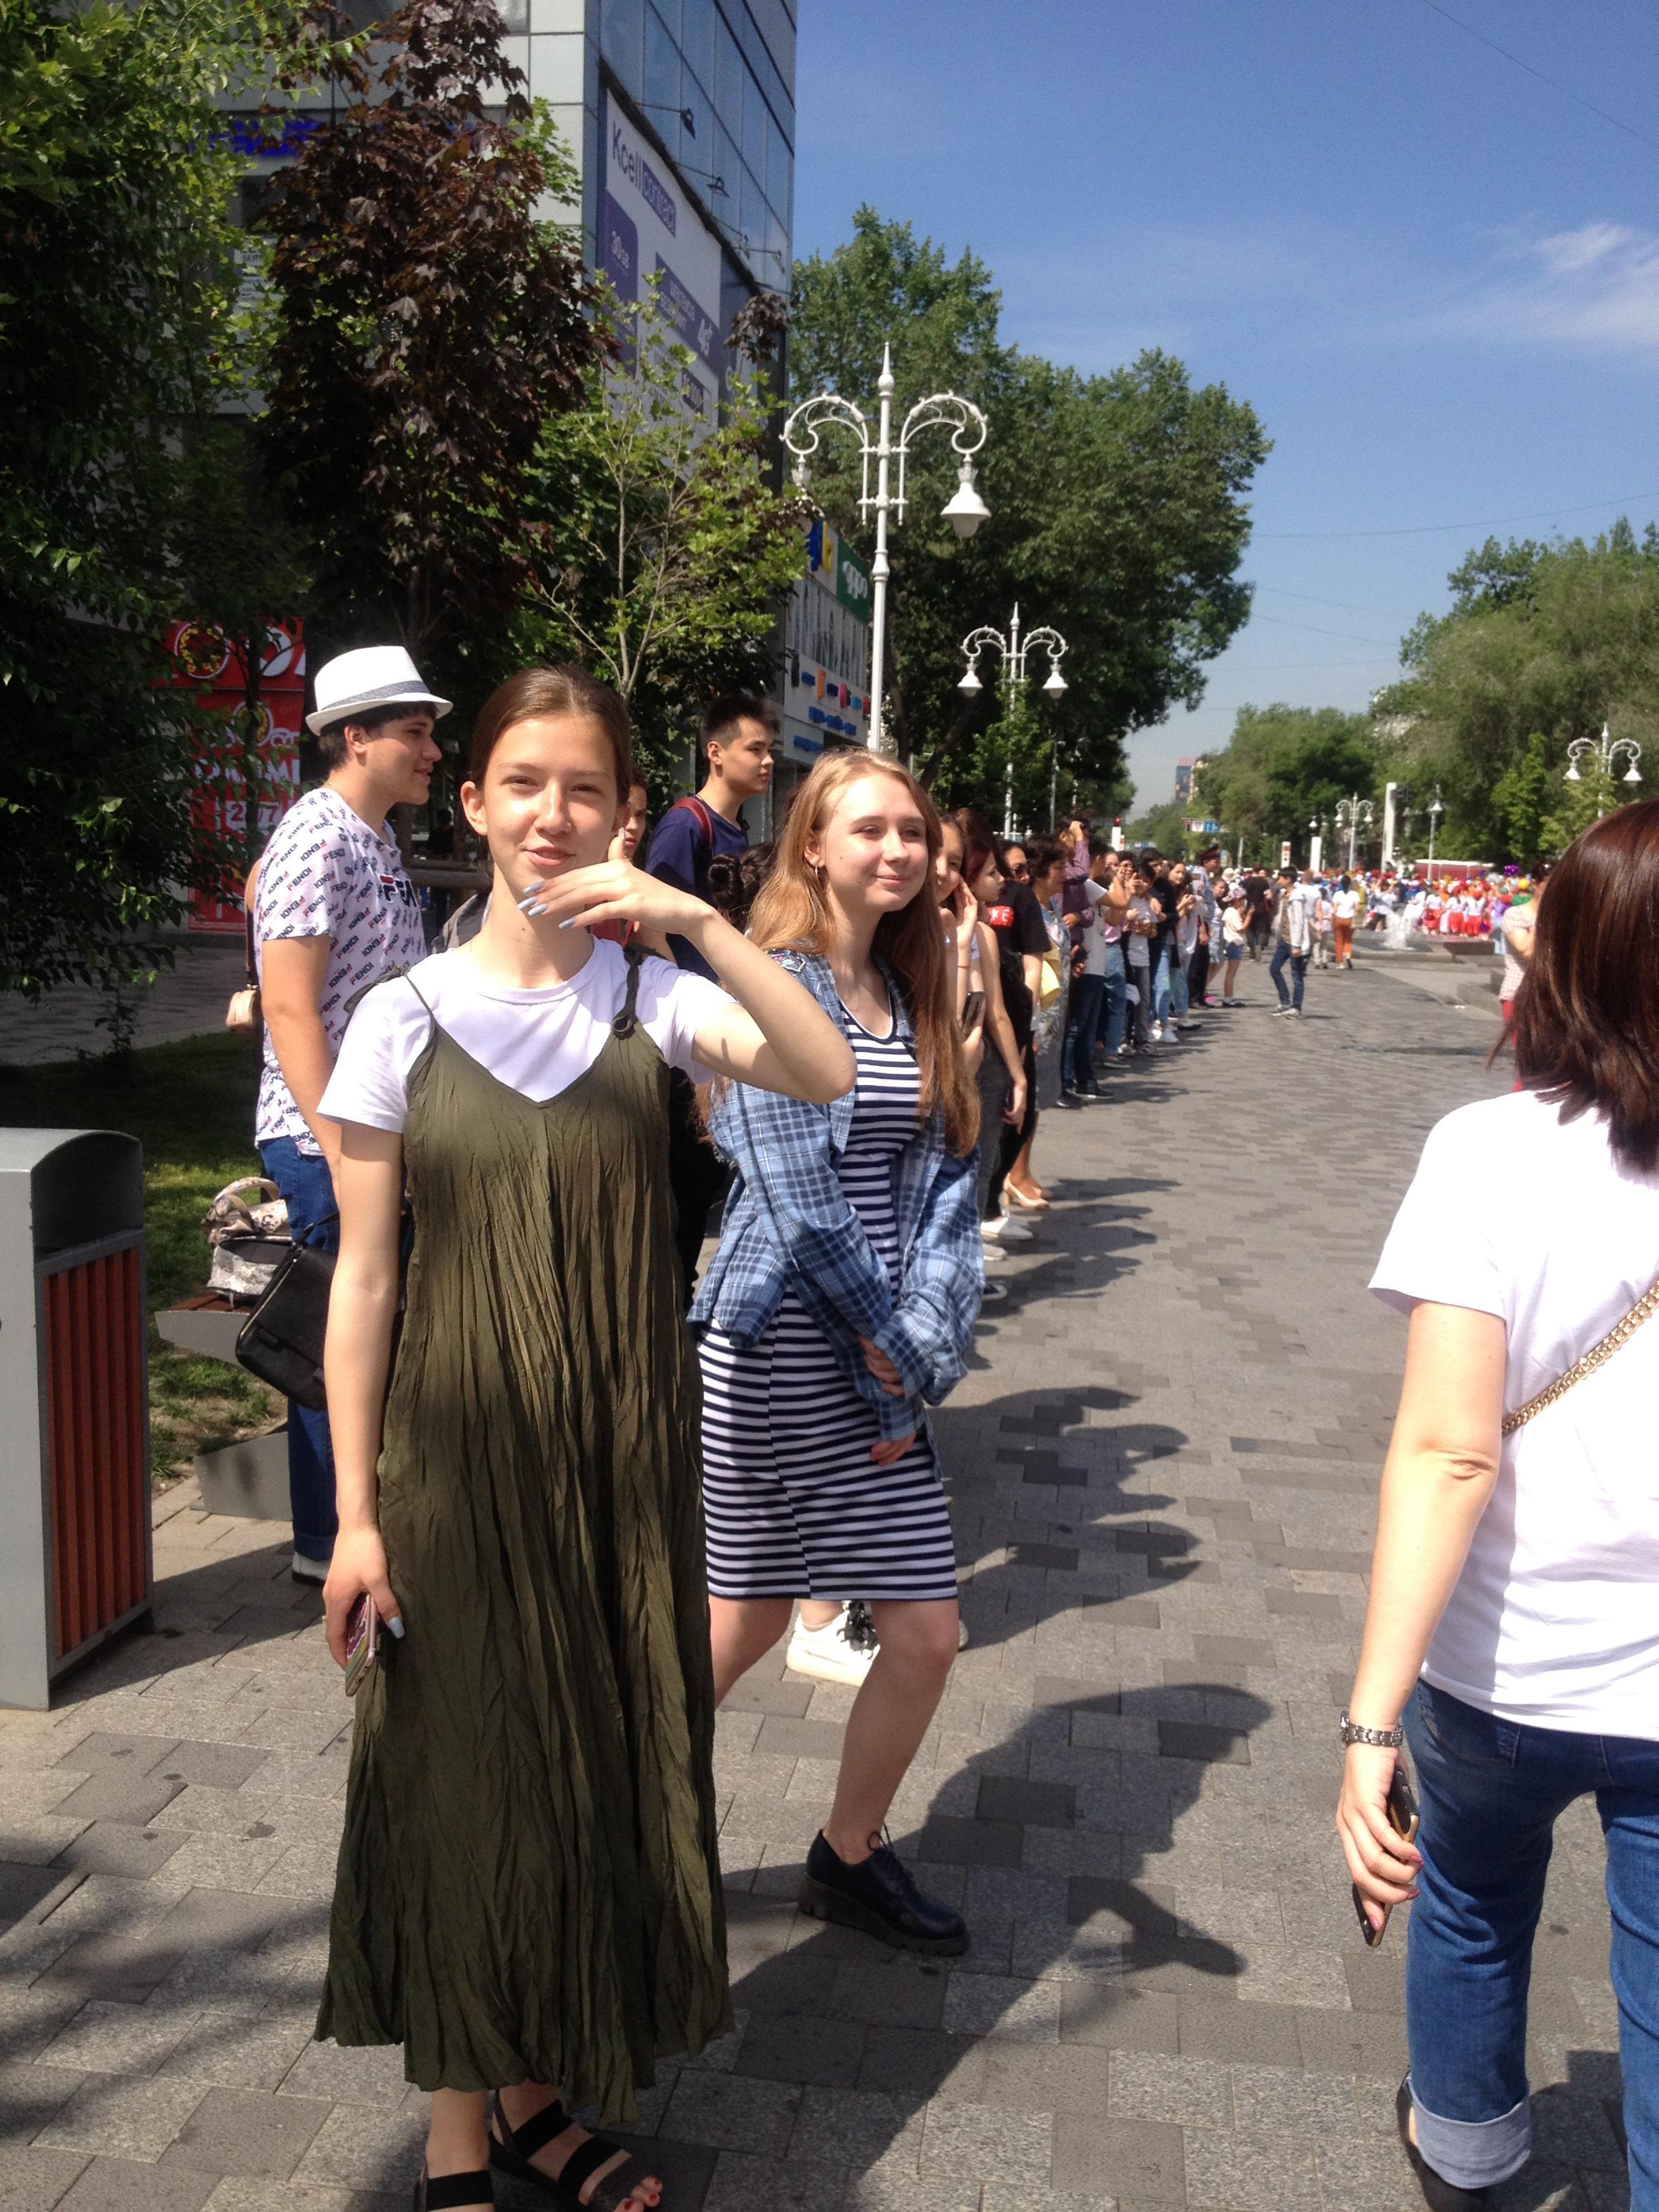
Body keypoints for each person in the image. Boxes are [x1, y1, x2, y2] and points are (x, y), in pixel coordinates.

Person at [314, 665, 853, 2212]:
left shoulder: (653, 998)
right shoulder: (399, 1017)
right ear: (474, 798)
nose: (552, 814)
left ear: (624, 810)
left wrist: (693, 921)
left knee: (594, 1774)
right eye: (523, 782)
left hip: (622, 1463)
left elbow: (821, 1071)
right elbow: (365, 1279)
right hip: (452, 1464)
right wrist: (353, 1516)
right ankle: (457, 2139)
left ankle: (539, 2101)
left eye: (586, 788)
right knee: (468, 1780)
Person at [1338, 802, 1659, 2212]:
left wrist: (1368, 1720)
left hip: (1501, 1659)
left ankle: (1467, 2147)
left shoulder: (1488, 1149)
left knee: (1467, 1903)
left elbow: (1446, 1453)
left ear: (1563, 957)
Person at [692, 750, 984, 1956]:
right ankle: (614, 1817)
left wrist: (925, 1340)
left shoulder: (917, 989)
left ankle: (846, 1852)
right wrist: (889, 1344)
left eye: (911, 829)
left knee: (922, 1630)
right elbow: (794, 1191)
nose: (897, 848)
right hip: (779, 1345)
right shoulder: (781, 983)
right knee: (748, 1615)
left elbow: (954, 1173)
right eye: (868, 828)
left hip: (882, 1350)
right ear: (811, 844)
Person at [253, 644, 445, 1583]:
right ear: (354, 738)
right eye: (415, 732)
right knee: (338, 1338)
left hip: (367, 1131)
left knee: (366, 1332)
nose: (433, 750)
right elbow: (290, 1007)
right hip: (322, 1135)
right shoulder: (318, 837)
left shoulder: (372, 839)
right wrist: (335, 1150)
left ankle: (345, 1537)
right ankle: (329, 1549)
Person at [644, 695, 779, 1296]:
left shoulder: (734, 829)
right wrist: (692, 994)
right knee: (687, 1180)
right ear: (716, 753)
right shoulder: (685, 825)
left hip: (723, 1020)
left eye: (771, 749)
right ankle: (672, 1302)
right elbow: (652, 921)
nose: (768, 760)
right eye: (756, 749)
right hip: (690, 1033)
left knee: (703, 1183)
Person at [950, 815, 1030, 1246]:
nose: (1003, 881)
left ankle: (968, 1255)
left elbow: (995, 1011)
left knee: (969, 1164)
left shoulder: (979, 931)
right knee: (968, 1163)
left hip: (977, 1057)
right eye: (993, 873)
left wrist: (1018, 1076)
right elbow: (993, 1011)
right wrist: (1019, 1078)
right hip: (960, 1060)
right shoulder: (956, 929)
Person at [1269, 865, 1312, 1018]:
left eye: (1281, 878)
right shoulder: (1283, 895)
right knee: (1274, 969)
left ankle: (1296, 1007)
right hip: (1284, 940)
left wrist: (1297, 946)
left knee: (1297, 976)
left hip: (1294, 942)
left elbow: (1299, 922)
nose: (1279, 881)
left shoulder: (1297, 897)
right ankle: (1285, 1001)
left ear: (1288, 879)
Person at [1218, 890, 1248, 1003]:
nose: (1244, 902)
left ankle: (1229, 996)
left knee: (1231, 972)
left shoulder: (1229, 911)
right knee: (1231, 972)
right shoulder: (1232, 912)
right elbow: (1241, 929)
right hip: (1235, 942)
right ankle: (1228, 997)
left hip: (1231, 941)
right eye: (1243, 899)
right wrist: (1249, 916)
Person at [1332, 873, 1359, 970]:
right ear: (1350, 884)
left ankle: (1340, 963)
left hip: (1339, 918)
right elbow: (1357, 908)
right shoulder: (1355, 894)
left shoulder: (1337, 894)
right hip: (1350, 919)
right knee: (1348, 940)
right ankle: (1348, 956)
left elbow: (1335, 909)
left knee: (1339, 941)